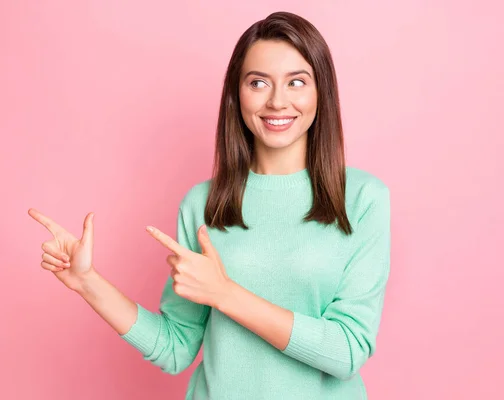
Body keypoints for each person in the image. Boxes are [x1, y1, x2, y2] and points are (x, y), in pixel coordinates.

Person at [28, 11, 391, 400]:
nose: (277, 101)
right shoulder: (204, 204)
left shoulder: (362, 199)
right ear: (237, 93)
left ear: (321, 92)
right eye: (258, 83)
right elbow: (175, 347)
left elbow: (347, 350)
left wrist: (225, 293)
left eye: (297, 82)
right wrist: (87, 282)